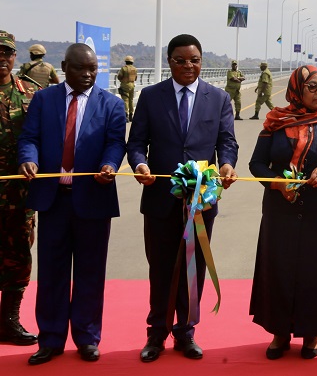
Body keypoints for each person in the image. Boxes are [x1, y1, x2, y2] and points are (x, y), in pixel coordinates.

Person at [127, 34, 238, 363]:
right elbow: (136, 143)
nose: (188, 66)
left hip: (200, 201)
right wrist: (140, 164)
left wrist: (227, 164)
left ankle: (186, 331)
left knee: (194, 267)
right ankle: (156, 333)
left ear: (202, 61)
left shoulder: (218, 98)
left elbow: (226, 142)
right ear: (170, 62)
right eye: (180, 60)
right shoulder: (151, 97)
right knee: (160, 268)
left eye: (194, 60)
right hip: (160, 199)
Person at [18, 43, 127, 365]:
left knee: (90, 273)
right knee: (52, 274)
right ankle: (51, 339)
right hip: (53, 202)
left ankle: (87, 338)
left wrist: (109, 165)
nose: (88, 74)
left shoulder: (112, 104)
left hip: (93, 199)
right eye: (80, 68)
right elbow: (29, 138)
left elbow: (115, 143)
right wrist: (28, 159)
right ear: (65, 67)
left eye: (93, 69)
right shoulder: (43, 99)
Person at [249, 65, 317, 360]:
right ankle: (279, 332)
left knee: (316, 272)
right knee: (280, 270)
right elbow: (256, 164)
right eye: (312, 87)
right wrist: (278, 183)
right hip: (280, 212)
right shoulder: (276, 121)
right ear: (297, 90)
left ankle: (312, 333)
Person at [0, 31, 39, 347]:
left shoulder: (32, 93)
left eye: (7, 53)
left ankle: (9, 322)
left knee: (19, 256)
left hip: (20, 195)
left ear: (15, 57)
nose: (2, 58)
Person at [117, 55, 137, 122]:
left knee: (125, 100)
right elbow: (135, 78)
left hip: (125, 86)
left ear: (126, 61)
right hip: (132, 85)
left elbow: (119, 76)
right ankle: (131, 114)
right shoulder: (134, 69)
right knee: (131, 100)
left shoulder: (124, 68)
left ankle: (126, 115)